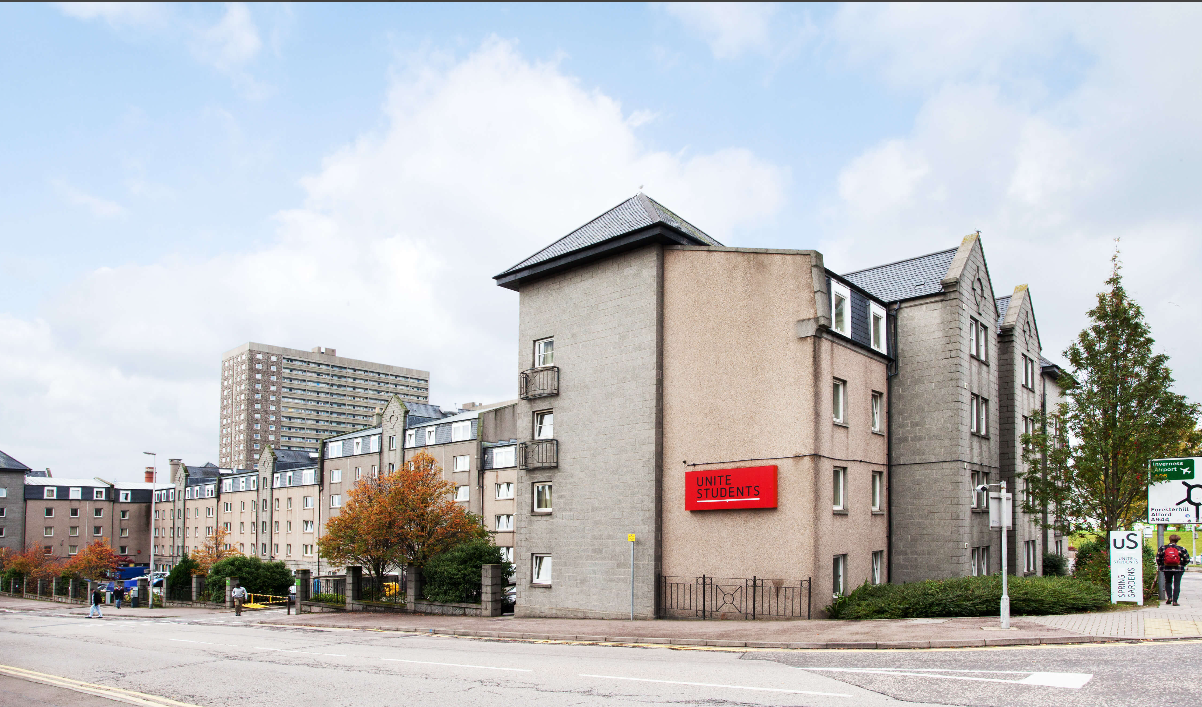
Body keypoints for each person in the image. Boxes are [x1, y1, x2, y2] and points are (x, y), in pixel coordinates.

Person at [1157, 534, 1192, 606]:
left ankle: (1169, 597)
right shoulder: (1181, 548)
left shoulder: (1163, 548)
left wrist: (1162, 565)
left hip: (1166, 569)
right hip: (1178, 569)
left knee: (1168, 582)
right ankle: (1175, 601)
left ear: (1170, 539)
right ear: (1177, 540)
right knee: (1177, 584)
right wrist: (1181, 564)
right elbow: (1187, 559)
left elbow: (1158, 558)